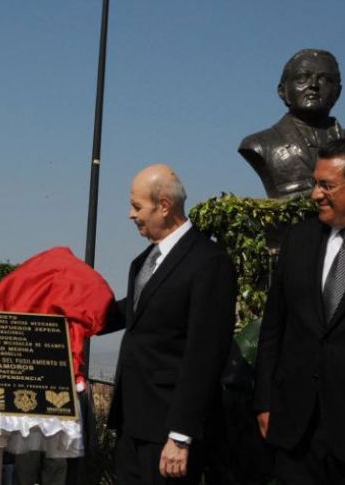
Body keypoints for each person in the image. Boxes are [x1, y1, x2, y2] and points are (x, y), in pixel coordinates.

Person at [102, 164, 237, 485]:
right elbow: (133, 313)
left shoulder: (208, 261)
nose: (130, 215)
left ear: (164, 205)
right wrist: (75, 317)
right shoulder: (144, 261)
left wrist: (181, 435)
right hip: (133, 423)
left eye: (137, 206)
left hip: (169, 431)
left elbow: (204, 355)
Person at [254, 138, 345, 484]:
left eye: (326, 185)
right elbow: (273, 328)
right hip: (295, 434)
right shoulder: (299, 240)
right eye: (315, 183)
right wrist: (265, 401)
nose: (315, 194)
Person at [238, 49, 345, 199]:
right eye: (302, 78)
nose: (314, 85)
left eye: (325, 79)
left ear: (338, 92)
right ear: (283, 91)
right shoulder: (259, 145)